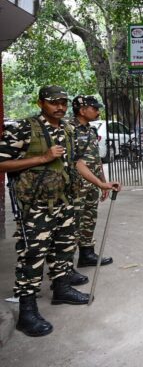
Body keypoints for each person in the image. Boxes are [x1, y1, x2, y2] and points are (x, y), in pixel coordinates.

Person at [0, 86, 121, 337]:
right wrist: (42, 158)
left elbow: (77, 163)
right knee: (32, 256)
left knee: (64, 249)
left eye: (63, 102)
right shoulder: (24, 128)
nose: (60, 107)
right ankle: (27, 311)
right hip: (36, 206)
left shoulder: (67, 129)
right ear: (40, 103)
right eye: (53, 102)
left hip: (65, 202)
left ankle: (62, 289)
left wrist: (101, 183)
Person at [71, 95, 114, 269]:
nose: (98, 111)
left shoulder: (91, 129)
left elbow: (96, 159)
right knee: (74, 221)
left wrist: (102, 182)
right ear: (82, 110)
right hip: (76, 185)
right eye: (94, 108)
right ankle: (65, 265)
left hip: (92, 183)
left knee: (89, 218)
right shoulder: (68, 129)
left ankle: (86, 254)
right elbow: (73, 161)